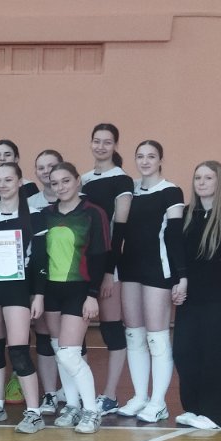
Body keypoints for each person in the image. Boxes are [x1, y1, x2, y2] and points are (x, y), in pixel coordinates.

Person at [30, 162, 112, 434]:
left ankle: (91, 411)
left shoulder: (93, 213)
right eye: (55, 183)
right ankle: (73, 405)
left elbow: (100, 256)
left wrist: (92, 295)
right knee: (59, 351)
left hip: (80, 289)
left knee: (69, 354)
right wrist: (39, 294)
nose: (61, 187)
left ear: (78, 181)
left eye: (66, 181)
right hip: (52, 291)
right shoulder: (45, 215)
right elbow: (40, 257)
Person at [113, 140, 188, 423]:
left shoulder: (171, 191)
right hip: (130, 269)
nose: (145, 161)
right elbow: (119, 233)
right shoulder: (129, 191)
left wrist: (182, 276)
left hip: (158, 269)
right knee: (134, 335)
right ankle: (140, 397)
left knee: (157, 338)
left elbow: (175, 235)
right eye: (140, 156)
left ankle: (158, 402)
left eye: (151, 156)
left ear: (160, 160)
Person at [174, 161, 221, 430]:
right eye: (198, 177)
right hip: (191, 299)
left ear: (219, 182)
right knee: (185, 352)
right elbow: (177, 254)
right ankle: (194, 408)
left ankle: (216, 413)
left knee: (217, 356)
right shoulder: (187, 214)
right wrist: (178, 284)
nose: (202, 182)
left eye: (208, 177)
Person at [0, 163, 47, 434]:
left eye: (8, 180)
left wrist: (38, 295)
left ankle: (34, 412)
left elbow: (41, 259)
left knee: (18, 350)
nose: (2, 185)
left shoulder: (35, 215)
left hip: (17, 288)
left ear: (19, 182)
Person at [80, 123, 133, 414]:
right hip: (83, 265)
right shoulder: (83, 180)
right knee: (77, 331)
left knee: (111, 329)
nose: (101, 146)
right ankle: (80, 392)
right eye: (97, 141)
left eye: (107, 142)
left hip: (110, 267)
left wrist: (109, 272)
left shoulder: (122, 180)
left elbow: (119, 230)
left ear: (115, 146)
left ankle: (110, 395)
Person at [30, 150, 65, 414]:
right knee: (43, 334)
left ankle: (71, 391)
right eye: (40, 167)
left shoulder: (77, 201)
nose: (45, 171)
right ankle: (51, 393)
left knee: (70, 337)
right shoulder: (29, 203)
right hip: (41, 277)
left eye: (51, 166)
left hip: (69, 277)